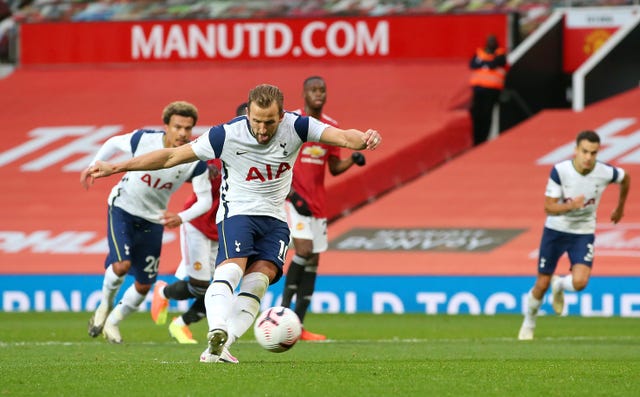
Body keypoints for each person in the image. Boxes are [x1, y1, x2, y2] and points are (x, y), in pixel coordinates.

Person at [83, 83, 382, 363]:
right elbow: (171, 156)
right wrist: (116, 166)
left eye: (270, 122)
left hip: (275, 218)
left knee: (261, 279)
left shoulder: (298, 126)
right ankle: (216, 328)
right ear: (248, 114)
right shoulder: (226, 134)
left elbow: (343, 137)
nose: (262, 129)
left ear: (283, 115)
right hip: (237, 213)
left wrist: (365, 140)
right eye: (256, 121)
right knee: (231, 269)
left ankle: (221, 347)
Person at [81, 101, 213, 344]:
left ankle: (113, 322)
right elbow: (112, 143)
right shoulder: (143, 140)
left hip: (153, 220)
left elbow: (205, 200)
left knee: (143, 285)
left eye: (188, 128)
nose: (183, 133)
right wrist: (94, 164)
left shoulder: (194, 159)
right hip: (123, 208)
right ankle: (103, 309)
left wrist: (180, 217)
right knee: (121, 266)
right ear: (166, 126)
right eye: (178, 127)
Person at [518, 130, 630, 341]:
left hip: (583, 232)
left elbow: (625, 179)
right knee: (541, 284)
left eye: (593, 153)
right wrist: (571, 206)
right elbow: (549, 207)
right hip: (556, 230)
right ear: (576, 150)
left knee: (580, 283)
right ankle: (529, 323)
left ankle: (559, 285)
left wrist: (620, 207)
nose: (588, 157)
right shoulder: (560, 171)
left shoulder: (605, 172)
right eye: (585, 151)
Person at [151, 103, 248, 344]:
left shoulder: (262, 154)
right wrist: (206, 168)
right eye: (248, 120)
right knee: (200, 286)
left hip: (223, 228)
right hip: (197, 225)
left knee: (221, 289)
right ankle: (163, 291)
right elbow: (182, 164)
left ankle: (180, 324)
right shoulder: (218, 146)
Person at [280, 76, 366, 341]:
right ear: (303, 94)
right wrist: (293, 196)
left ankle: (300, 326)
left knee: (314, 259)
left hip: (318, 203)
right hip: (294, 200)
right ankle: (282, 314)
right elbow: (279, 160)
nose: (318, 94)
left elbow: (334, 168)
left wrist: (353, 158)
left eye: (322, 90)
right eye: (313, 90)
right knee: (304, 250)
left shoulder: (331, 128)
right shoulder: (292, 122)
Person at [469, 34, 507, 146]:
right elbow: (473, 64)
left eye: (493, 41)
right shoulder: (479, 52)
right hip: (478, 89)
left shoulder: (500, 54)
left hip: (492, 90)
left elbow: (494, 64)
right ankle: (476, 140)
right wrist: (486, 64)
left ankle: (484, 139)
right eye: (489, 41)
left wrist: (483, 63)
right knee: (476, 115)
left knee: (487, 115)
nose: (491, 43)